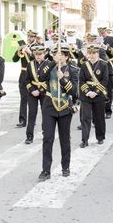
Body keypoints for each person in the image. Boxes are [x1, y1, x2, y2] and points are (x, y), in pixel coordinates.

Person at [36, 43, 78, 180]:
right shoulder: (49, 67)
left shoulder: (72, 70)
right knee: (47, 138)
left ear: (66, 56)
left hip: (65, 106)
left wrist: (63, 79)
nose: (59, 57)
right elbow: (41, 77)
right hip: (49, 106)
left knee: (65, 138)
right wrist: (53, 62)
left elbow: (74, 91)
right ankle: (46, 170)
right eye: (56, 54)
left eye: (61, 55)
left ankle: (65, 166)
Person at [79, 44, 109, 147]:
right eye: (90, 53)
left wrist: (95, 92)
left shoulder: (103, 65)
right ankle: (84, 140)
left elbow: (105, 80)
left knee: (99, 117)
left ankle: (100, 137)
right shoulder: (84, 65)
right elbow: (81, 80)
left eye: (94, 53)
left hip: (98, 95)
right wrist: (87, 91)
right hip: (86, 95)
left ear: (98, 53)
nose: (92, 55)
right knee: (85, 117)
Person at [23, 44, 48, 144]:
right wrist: (32, 90)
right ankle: (29, 136)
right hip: (32, 92)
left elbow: (50, 81)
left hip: (44, 92)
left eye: (40, 54)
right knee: (32, 114)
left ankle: (45, 134)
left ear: (44, 54)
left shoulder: (49, 64)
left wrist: (40, 90)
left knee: (45, 114)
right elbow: (27, 79)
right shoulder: (30, 64)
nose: (38, 56)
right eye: (36, 54)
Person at [13, 30, 38, 128]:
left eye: (32, 37)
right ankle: (22, 120)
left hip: (33, 75)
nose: (30, 38)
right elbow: (14, 60)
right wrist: (18, 50)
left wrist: (30, 52)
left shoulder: (38, 46)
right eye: (29, 36)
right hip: (23, 74)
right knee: (23, 98)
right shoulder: (24, 46)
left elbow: (38, 60)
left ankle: (32, 119)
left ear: (35, 37)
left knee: (33, 99)